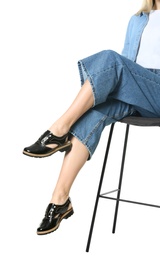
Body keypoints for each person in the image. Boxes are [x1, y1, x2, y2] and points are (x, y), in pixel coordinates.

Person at [23, 0, 160, 235]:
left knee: (110, 58)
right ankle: (59, 201)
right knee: (92, 112)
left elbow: (119, 65)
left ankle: (58, 129)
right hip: (136, 86)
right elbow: (127, 62)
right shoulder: (138, 19)